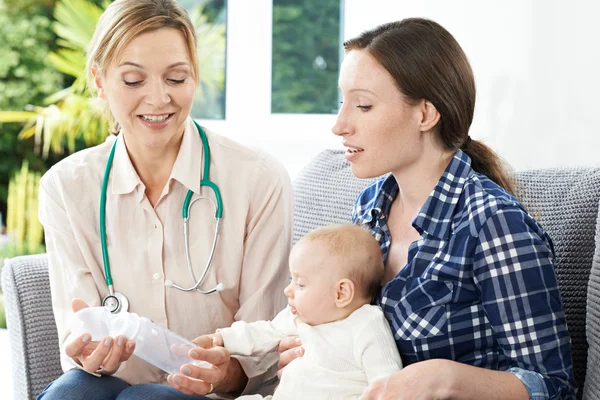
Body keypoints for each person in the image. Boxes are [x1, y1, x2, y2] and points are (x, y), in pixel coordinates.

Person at [173, 18, 577, 400]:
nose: (339, 125)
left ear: (425, 113)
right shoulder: (370, 208)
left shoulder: (493, 223)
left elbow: (553, 384)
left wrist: (448, 380)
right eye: (342, 103)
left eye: (363, 106)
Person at [36, 0, 292, 399]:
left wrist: (226, 373)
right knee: (73, 390)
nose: (158, 100)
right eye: (134, 81)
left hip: (210, 396)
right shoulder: (66, 187)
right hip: (106, 387)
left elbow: (267, 348)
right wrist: (87, 352)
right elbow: (78, 329)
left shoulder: (258, 180)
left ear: (195, 76)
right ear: (99, 80)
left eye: (175, 78)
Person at [212, 224, 402, 400]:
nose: (288, 290)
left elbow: (388, 384)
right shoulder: (298, 316)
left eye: (300, 284)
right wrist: (223, 338)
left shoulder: (367, 325)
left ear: (341, 293)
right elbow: (263, 332)